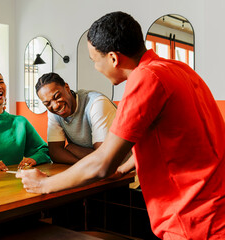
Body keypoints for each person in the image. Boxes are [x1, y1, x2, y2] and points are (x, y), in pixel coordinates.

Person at [17, 11, 225, 240]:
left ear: (114, 58)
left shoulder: (145, 78)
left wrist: (44, 184)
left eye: (95, 60)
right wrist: (125, 167)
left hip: (193, 219)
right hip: (213, 205)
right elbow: (169, 135)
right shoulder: (178, 68)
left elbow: (103, 162)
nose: (96, 67)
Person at [35, 72, 118, 164]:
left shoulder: (96, 103)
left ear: (67, 88)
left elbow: (104, 157)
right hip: (93, 169)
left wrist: (72, 149)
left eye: (57, 96)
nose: (55, 106)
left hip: (121, 170)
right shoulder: (54, 112)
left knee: (71, 148)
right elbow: (54, 152)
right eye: (47, 104)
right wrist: (81, 166)